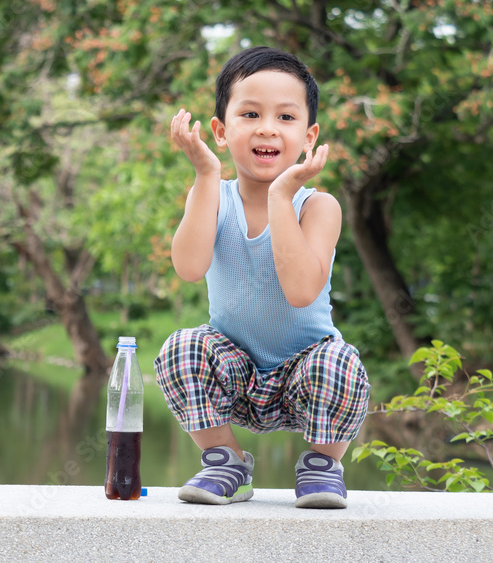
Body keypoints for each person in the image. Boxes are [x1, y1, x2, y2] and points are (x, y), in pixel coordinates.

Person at [155, 46, 370, 509]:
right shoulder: (211, 193)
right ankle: (226, 461)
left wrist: (281, 195)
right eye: (250, 113)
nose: (268, 127)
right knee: (181, 348)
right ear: (220, 130)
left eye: (286, 117)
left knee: (342, 362)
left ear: (308, 135)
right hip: (234, 369)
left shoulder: (318, 206)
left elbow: (300, 291)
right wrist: (205, 176)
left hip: (306, 372)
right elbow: (188, 268)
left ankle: (321, 465)